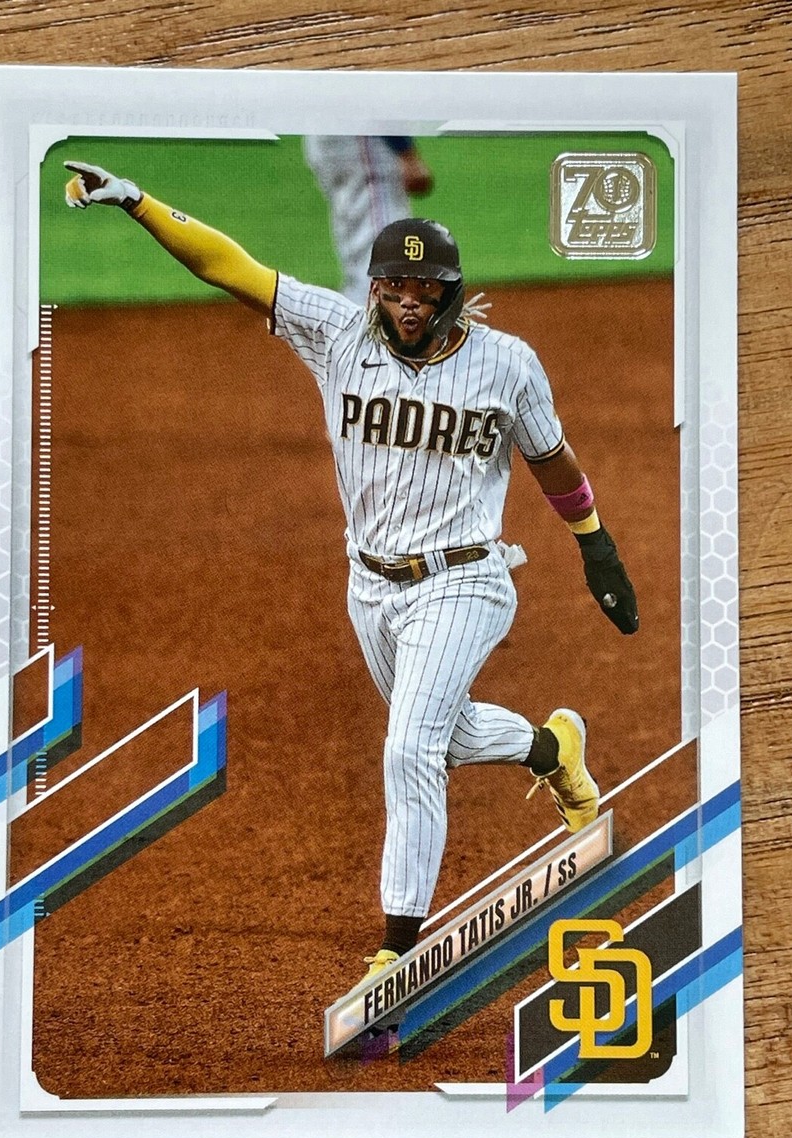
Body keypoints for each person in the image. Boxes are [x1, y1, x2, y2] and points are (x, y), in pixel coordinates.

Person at [64, 161, 639, 989]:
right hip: (369, 587)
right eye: (393, 287)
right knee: (443, 735)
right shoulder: (339, 333)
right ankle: (553, 748)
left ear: (450, 294)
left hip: (467, 580)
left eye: (424, 290)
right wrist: (136, 200)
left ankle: (398, 951)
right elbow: (230, 267)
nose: (407, 302)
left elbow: (551, 459)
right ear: (376, 290)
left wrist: (596, 544)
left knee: (409, 748)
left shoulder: (508, 364)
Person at [303, 136, 434, 304]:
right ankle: (371, 313)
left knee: (359, 240)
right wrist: (406, 152)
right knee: (383, 255)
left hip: (326, 138)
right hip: (362, 138)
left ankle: (359, 307)